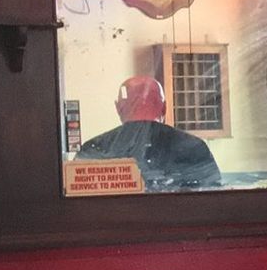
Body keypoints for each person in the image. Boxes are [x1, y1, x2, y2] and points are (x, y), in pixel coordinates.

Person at [75, 76, 221, 191]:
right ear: (164, 108)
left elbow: (78, 202)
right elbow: (213, 199)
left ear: (119, 108)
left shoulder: (93, 150)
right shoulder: (194, 147)